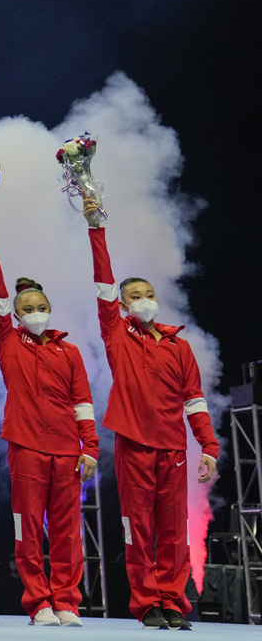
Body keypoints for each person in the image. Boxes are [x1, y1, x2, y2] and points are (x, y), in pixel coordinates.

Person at [82, 199, 218, 630]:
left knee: (174, 531)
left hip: (173, 446)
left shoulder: (179, 347)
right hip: (133, 445)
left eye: (148, 295)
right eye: (134, 297)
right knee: (136, 528)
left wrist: (209, 447)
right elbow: (103, 283)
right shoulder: (118, 335)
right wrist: (95, 228)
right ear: (121, 308)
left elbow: (194, 400)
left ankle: (173, 601)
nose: (143, 301)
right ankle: (147, 604)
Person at [0, 219, 99, 627]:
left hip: (67, 450)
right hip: (25, 447)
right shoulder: (8, 340)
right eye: (26, 309)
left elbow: (82, 403)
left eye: (41, 308)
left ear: (50, 309)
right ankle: (39, 603)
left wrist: (90, 449)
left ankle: (66, 601)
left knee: (67, 533)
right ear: (14, 314)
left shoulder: (70, 352)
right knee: (27, 529)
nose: (35, 314)